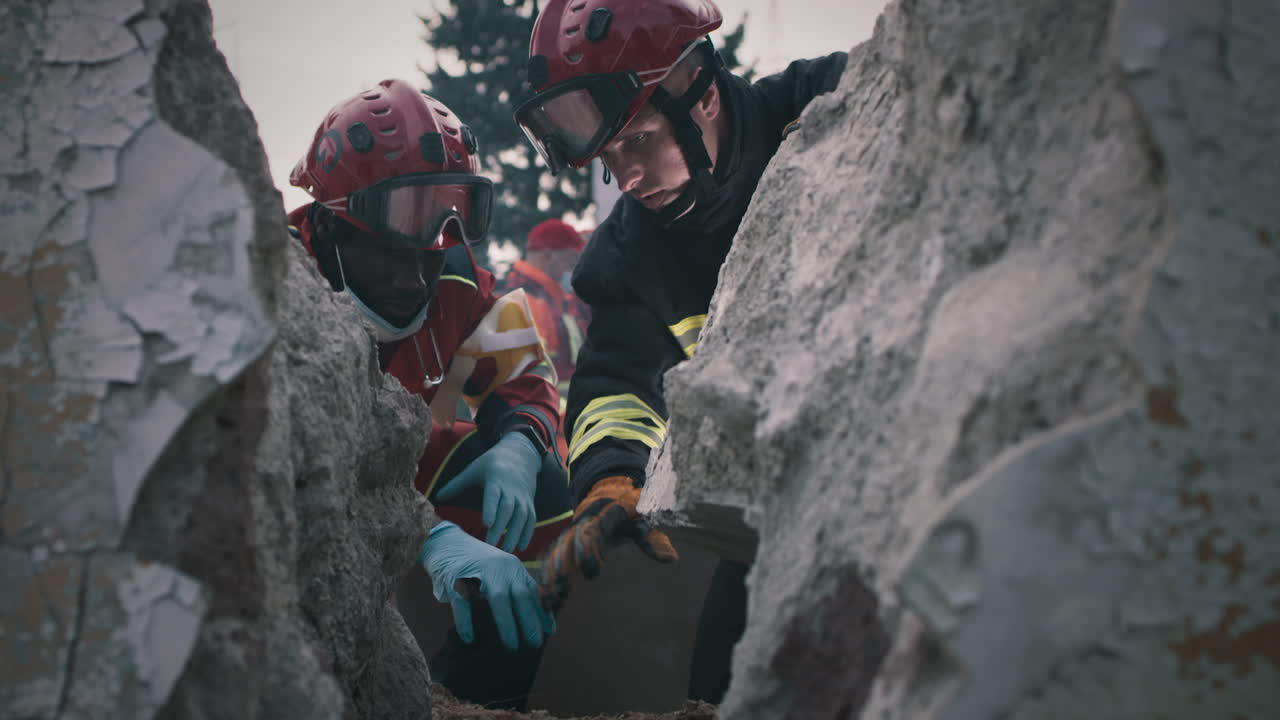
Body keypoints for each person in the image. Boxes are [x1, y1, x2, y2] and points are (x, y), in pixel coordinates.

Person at [514, 0, 849, 704]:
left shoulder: (833, 107)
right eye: (609, 158)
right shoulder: (630, 256)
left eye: (636, 141)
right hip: (787, 503)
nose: (626, 180)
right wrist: (610, 477)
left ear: (698, 91)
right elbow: (616, 382)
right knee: (723, 684)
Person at [287, 79, 573, 710]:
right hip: (307, 502)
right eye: (395, 251)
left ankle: (471, 697)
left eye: (432, 251)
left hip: (403, 477)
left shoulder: (449, 278)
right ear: (333, 228)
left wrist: (523, 446)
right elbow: (296, 478)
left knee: (546, 487)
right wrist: (433, 538)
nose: (416, 276)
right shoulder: (277, 289)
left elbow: (524, 377)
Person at [500, 218, 591, 416]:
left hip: (556, 424)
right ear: (550, 256)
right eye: (571, 261)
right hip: (552, 428)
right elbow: (532, 386)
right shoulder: (530, 305)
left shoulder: (549, 301)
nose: (572, 269)